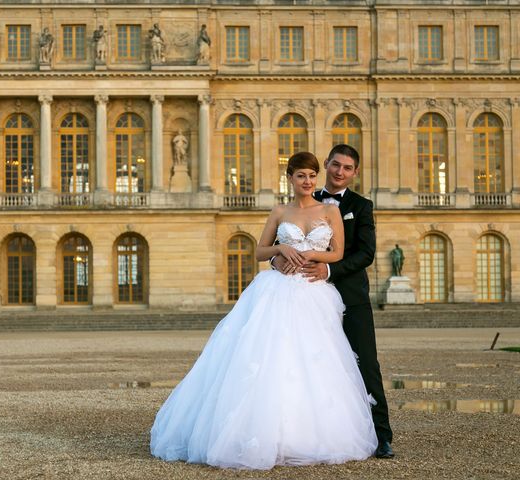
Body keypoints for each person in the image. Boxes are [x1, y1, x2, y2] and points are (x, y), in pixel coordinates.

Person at [151, 152, 378, 470]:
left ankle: (303, 433)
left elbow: (339, 252)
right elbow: (259, 250)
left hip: (314, 292)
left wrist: (312, 254)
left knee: (314, 359)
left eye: (312, 175)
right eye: (301, 175)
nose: (307, 181)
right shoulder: (279, 210)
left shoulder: (331, 211)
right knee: (271, 356)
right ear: (290, 178)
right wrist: (279, 250)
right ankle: (267, 432)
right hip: (277, 289)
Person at [272, 144, 394, 459]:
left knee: (365, 362)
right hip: (303, 296)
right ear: (326, 164)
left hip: (349, 296)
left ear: (354, 173)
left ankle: (381, 436)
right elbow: (280, 244)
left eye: (347, 168)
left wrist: (329, 269)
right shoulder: (301, 202)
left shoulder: (361, 206)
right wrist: (277, 263)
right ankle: (305, 432)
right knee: (303, 362)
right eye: (336, 165)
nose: (340, 172)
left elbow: (365, 253)